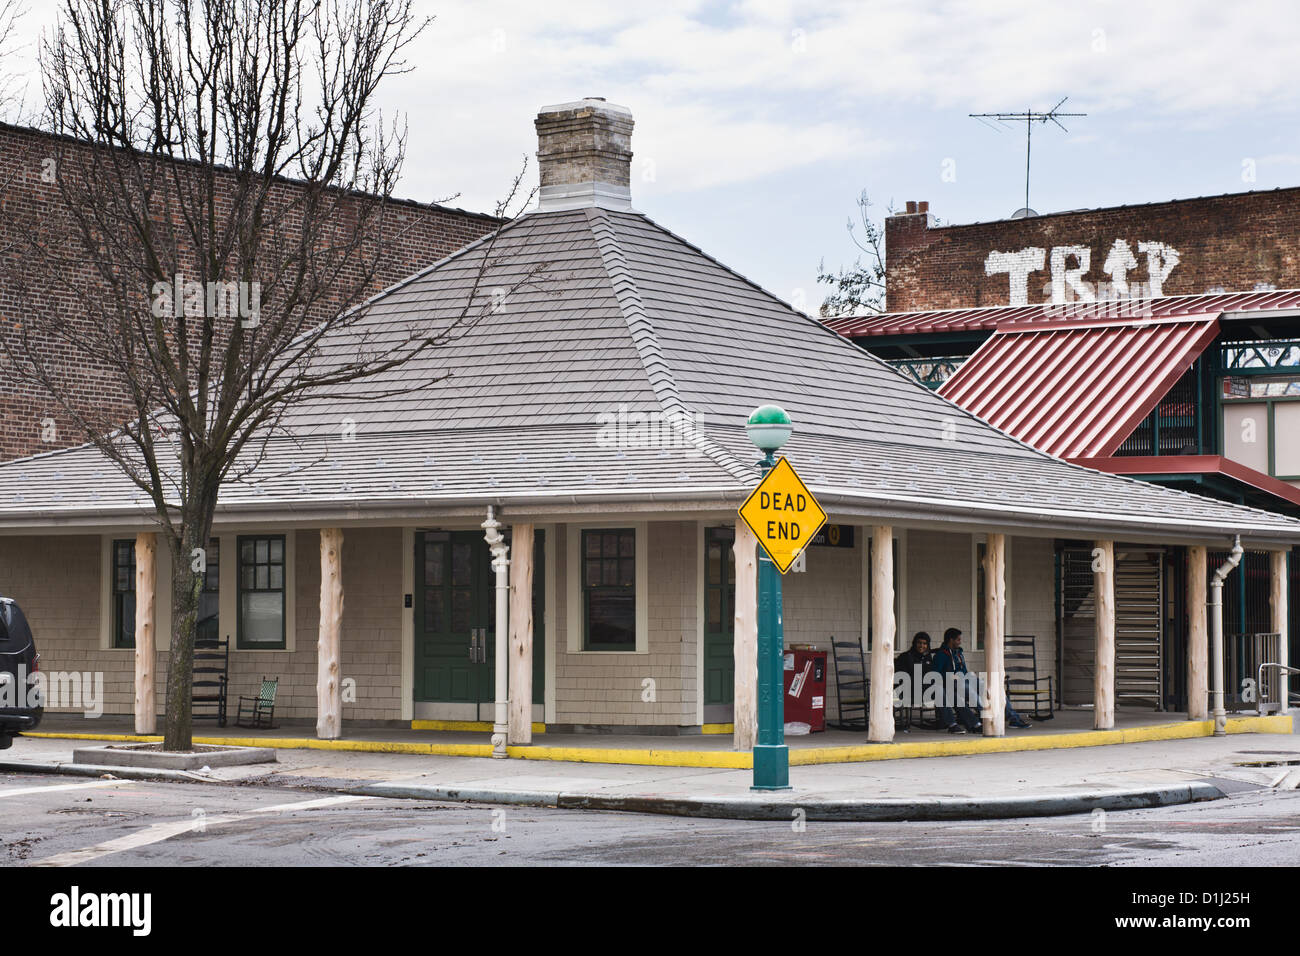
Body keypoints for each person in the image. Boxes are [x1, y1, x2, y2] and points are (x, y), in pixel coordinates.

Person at [931, 627, 1032, 733]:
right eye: (958, 640)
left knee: (993, 688)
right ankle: (987, 716)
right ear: (951, 640)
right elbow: (935, 675)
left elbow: (964, 671)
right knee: (971, 692)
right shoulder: (941, 655)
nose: (960, 642)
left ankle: (1013, 718)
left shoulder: (959, 653)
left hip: (965, 679)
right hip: (951, 684)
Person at [894, 631, 933, 710]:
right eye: (919, 643)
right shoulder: (906, 656)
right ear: (914, 643)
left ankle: (944, 720)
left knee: (942, 690)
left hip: (924, 690)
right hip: (907, 692)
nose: (922, 646)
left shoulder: (928, 657)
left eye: (924, 643)